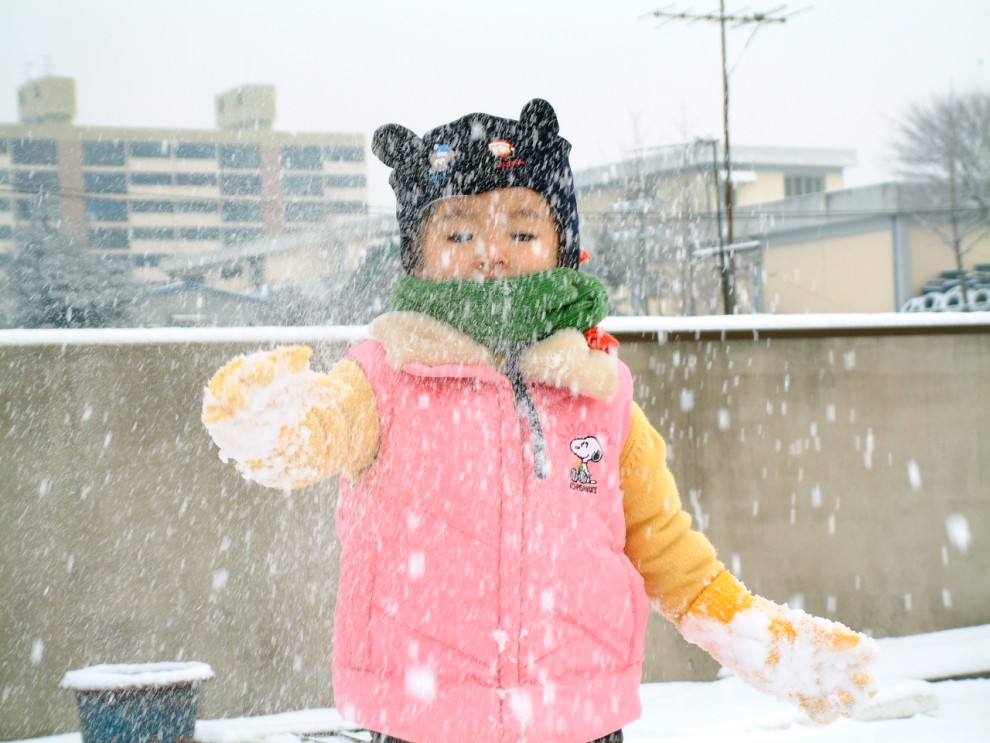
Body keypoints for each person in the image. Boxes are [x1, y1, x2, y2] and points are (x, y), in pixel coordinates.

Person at [202, 99, 878, 743]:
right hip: (423, 719)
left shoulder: (600, 392)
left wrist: (755, 637)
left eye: (522, 230)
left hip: (577, 716)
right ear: (415, 254)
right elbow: (316, 434)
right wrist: (271, 423)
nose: (491, 251)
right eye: (458, 231)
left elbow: (664, 546)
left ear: (562, 246)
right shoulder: (383, 376)